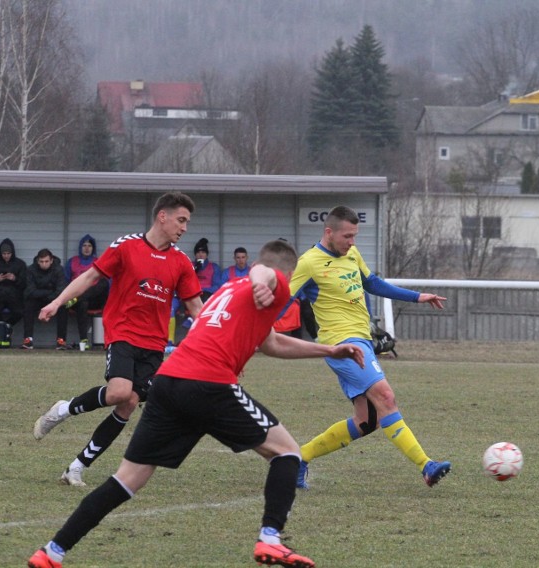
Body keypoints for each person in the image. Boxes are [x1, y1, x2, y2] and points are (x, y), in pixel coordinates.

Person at [27, 239, 365, 568]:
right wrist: (265, 281)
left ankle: (52, 552)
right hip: (209, 384)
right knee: (288, 453)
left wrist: (329, 349)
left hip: (168, 383)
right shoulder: (272, 280)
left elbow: (272, 343)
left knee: (125, 481)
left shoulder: (230, 289)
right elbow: (264, 272)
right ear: (288, 272)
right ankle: (271, 540)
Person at [32, 192, 204, 487]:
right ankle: (63, 409)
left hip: (154, 344)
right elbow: (89, 278)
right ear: (162, 216)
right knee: (119, 393)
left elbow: (197, 308)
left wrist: (221, 347)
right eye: (181, 220)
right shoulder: (126, 246)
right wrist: (57, 302)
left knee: (129, 403)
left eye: (187, 222)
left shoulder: (181, 262)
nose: (185, 228)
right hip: (123, 333)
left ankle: (76, 467)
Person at [290, 205, 451, 489]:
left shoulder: (351, 254)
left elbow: (373, 284)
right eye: (347, 236)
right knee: (386, 398)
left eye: (355, 236)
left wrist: (418, 297)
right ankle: (427, 466)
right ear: (329, 232)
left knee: (367, 421)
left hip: (360, 340)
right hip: (341, 345)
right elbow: (282, 300)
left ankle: (299, 458)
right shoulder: (309, 263)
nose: (352, 242)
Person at [65, 235, 109, 350]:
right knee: (82, 303)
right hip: (75, 300)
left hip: (94, 299)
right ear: (80, 247)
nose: (87, 248)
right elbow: (65, 281)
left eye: (89, 246)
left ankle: (79, 297)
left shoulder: (98, 261)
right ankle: (83, 340)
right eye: (84, 245)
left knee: (104, 282)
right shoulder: (72, 262)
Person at [23, 249, 70, 350]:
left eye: (46, 261)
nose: (44, 264)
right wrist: (48, 293)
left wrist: (50, 298)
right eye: (41, 261)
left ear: (51, 260)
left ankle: (61, 340)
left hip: (53, 300)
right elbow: (30, 291)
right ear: (37, 261)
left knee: (63, 306)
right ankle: (28, 339)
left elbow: (60, 291)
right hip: (37, 299)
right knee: (28, 304)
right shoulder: (31, 270)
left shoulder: (59, 270)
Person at [0, 238, 26, 326]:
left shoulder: (20, 264)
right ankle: (5, 327)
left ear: (12, 253)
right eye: (4, 254)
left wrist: (15, 279)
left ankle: (5, 326)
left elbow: (24, 283)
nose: (6, 256)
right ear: (0, 253)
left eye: (8, 253)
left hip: (14, 295)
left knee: (19, 312)